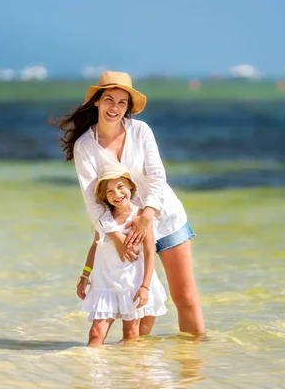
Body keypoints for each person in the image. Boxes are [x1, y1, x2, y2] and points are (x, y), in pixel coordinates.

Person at [55, 71, 205, 336]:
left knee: (185, 297)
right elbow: (93, 201)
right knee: (137, 308)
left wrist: (147, 214)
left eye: (122, 102)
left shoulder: (141, 131)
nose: (115, 107)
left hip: (165, 217)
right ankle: (134, 369)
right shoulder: (84, 147)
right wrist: (115, 237)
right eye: (109, 99)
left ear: (128, 107)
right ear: (97, 102)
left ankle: (193, 369)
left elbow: (157, 176)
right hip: (123, 231)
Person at [77, 163, 167, 345]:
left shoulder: (140, 216)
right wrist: (85, 275)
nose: (116, 195)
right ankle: (90, 371)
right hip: (106, 283)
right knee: (96, 334)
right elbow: (95, 246)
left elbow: (150, 253)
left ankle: (126, 372)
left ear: (131, 187)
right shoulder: (104, 219)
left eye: (120, 187)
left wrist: (145, 287)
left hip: (131, 284)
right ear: (104, 196)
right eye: (109, 191)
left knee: (130, 335)